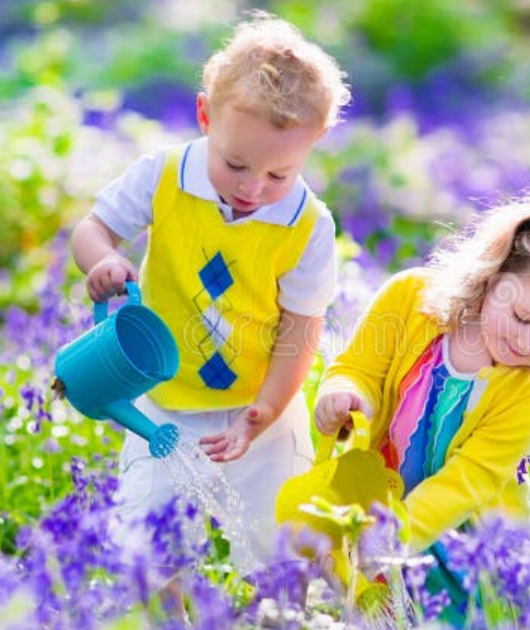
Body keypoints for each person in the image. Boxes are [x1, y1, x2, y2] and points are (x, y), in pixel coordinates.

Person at [67, 11, 351, 568]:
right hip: (163, 402)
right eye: (236, 164)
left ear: (315, 143)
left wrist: (265, 411)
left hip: (262, 408)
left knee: (278, 552)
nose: (252, 188)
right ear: (204, 116)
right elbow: (92, 229)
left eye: (278, 175)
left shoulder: (308, 225)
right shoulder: (164, 175)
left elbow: (301, 328)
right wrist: (101, 260)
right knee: (148, 546)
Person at [312, 181, 530, 617]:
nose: (529, 343)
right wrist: (344, 392)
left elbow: (468, 480)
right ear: (494, 275)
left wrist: (396, 536)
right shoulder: (409, 298)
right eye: (522, 317)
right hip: (371, 496)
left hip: (460, 540)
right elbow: (360, 367)